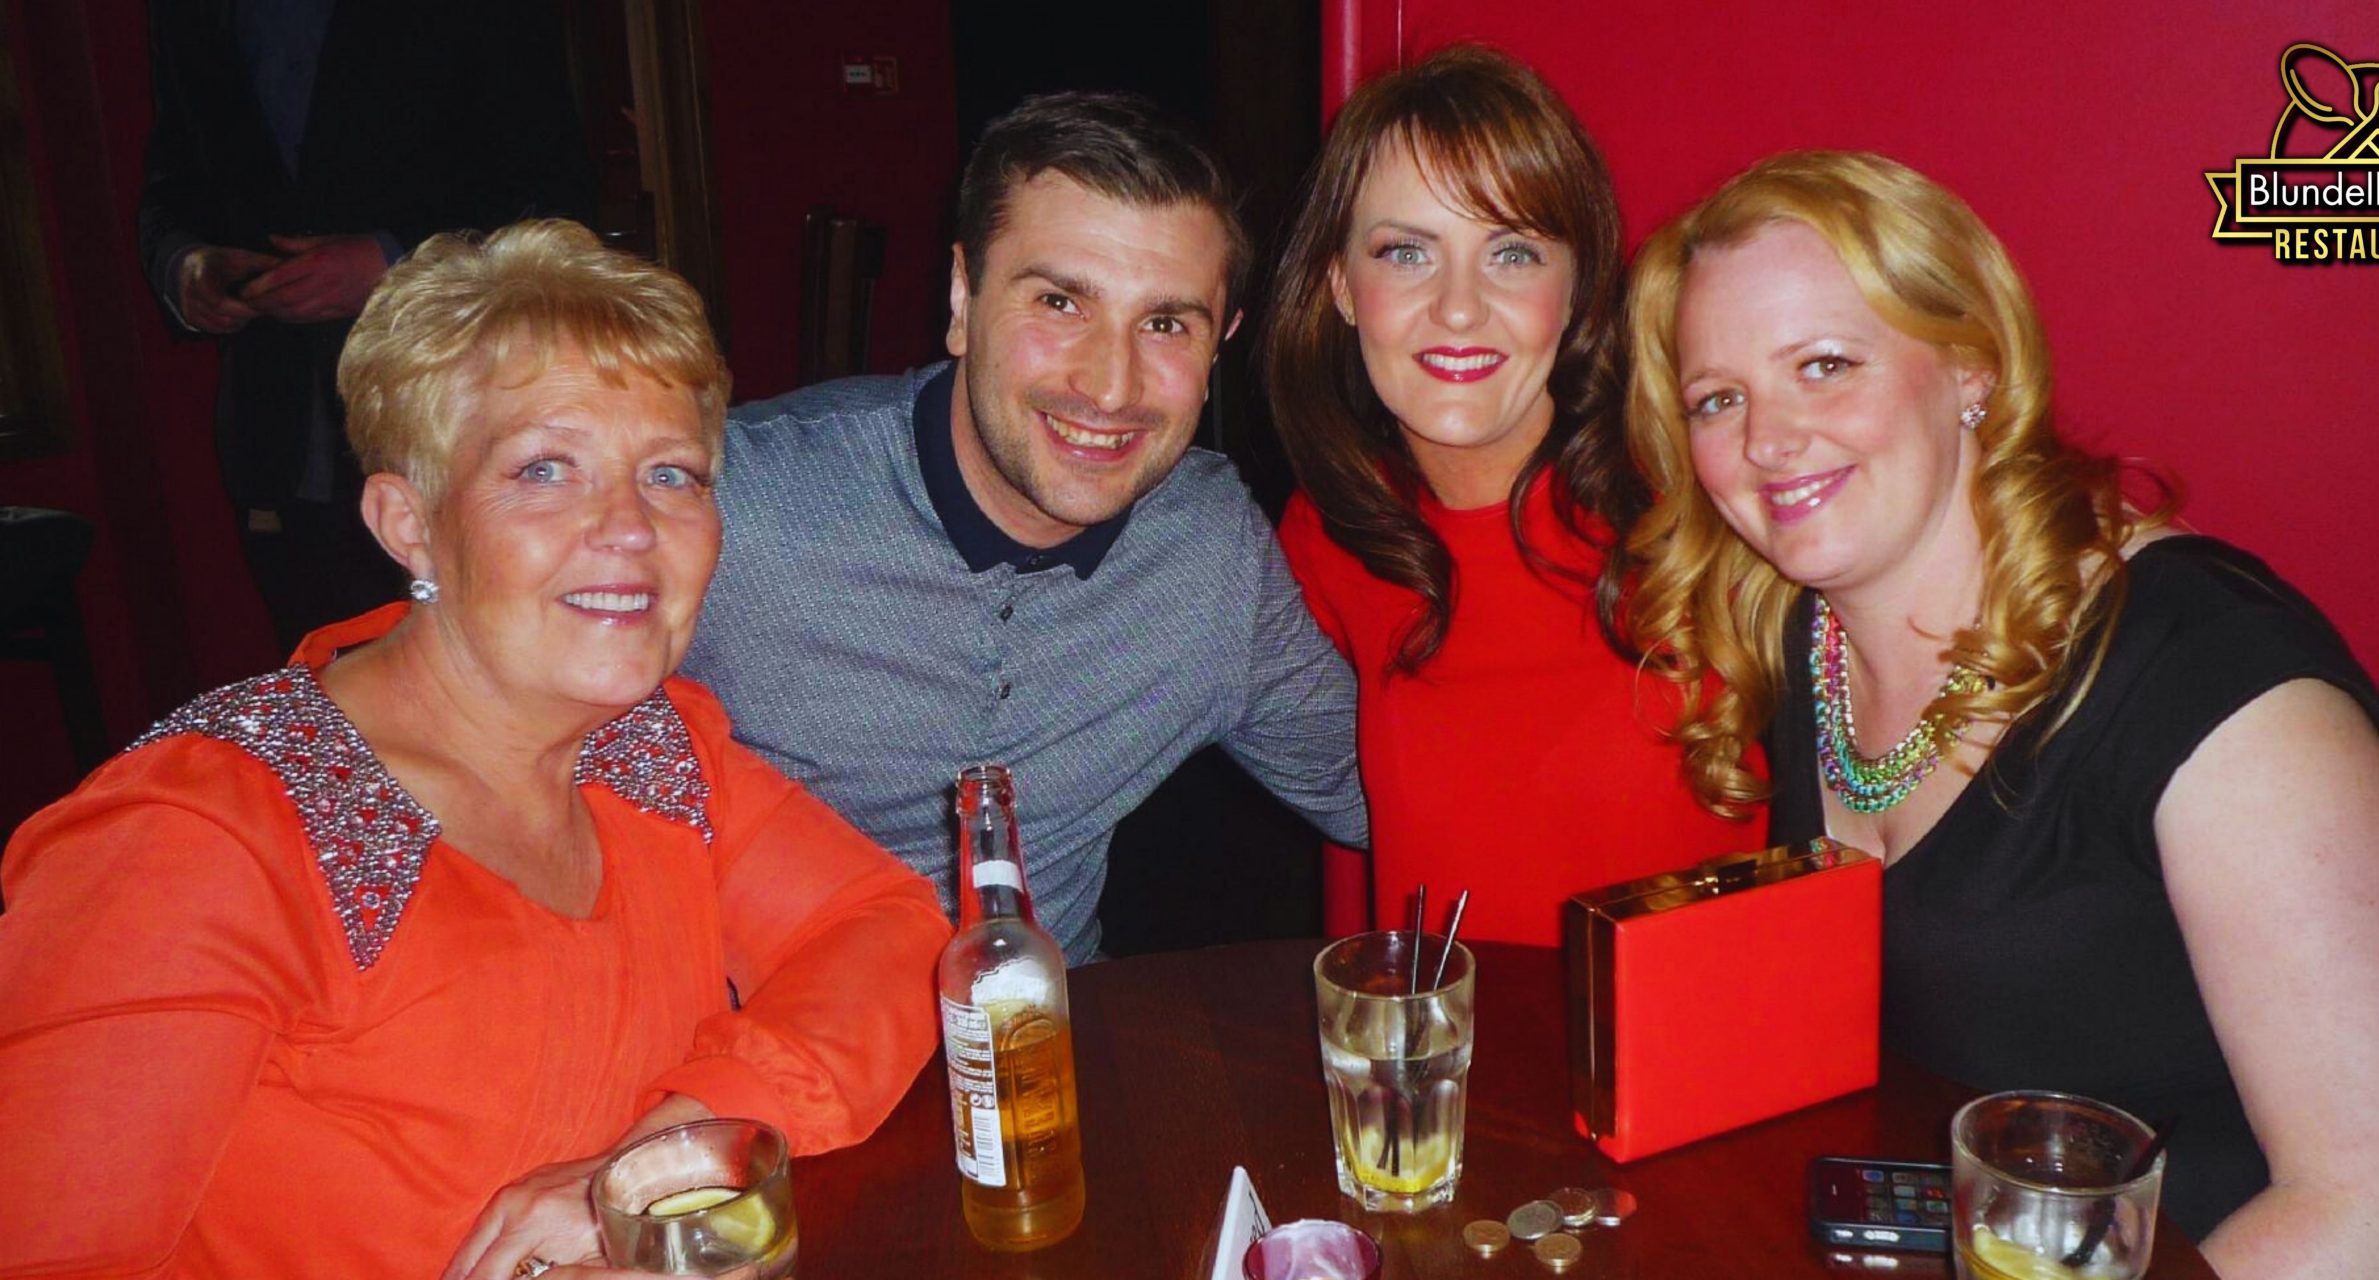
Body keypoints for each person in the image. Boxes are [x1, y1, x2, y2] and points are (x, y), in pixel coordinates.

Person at [1620, 150, 2379, 1276]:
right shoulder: (1796, 632)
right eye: (1718, 399)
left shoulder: (2195, 663)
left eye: (1825, 365)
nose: (1767, 441)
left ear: (1970, 367)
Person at [0, 221, 949, 1279]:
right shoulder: (199, 837)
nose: (630, 527)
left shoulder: (651, 745)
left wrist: (661, 1155)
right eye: (544, 468)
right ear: (408, 523)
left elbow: (888, 932)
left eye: (671, 474)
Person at [681, 93, 1366, 966]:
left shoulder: (1209, 554)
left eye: (1164, 324)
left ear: (1220, 342)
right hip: (753, 1035)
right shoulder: (733, 507)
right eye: (1060, 302)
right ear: (963, 297)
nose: (1111, 386)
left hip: (1048, 1037)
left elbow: (1377, 796)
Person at [1263, 46, 1763, 947]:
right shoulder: (1332, 534)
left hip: (1717, 1033)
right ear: (1341, 287)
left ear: (1576, 290)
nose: (1458, 307)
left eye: (1513, 252)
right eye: (1406, 252)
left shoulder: (1699, 503)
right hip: (1445, 1038)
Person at [138, 0, 597, 652]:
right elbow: (172, 185)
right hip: (282, 432)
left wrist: (396, 260)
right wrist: (185, 264)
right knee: (331, 682)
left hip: (465, 408)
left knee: (509, 664)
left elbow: (557, 198)